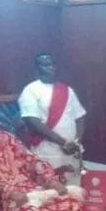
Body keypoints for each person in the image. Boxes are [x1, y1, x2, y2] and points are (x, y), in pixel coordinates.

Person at [18, 53, 86, 184]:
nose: (51, 67)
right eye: (45, 64)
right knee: (52, 189)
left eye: (52, 64)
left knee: (74, 188)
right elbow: (32, 121)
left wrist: (77, 142)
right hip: (47, 148)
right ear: (37, 69)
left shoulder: (67, 90)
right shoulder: (30, 90)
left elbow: (80, 117)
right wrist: (62, 142)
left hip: (71, 149)